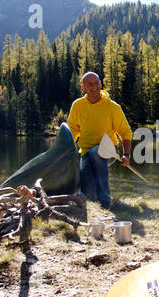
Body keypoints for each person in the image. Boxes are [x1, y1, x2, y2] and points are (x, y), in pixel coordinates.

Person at [67, 72, 132, 209]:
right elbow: (72, 131)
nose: (94, 86)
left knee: (96, 153)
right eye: (90, 84)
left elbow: (125, 132)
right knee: (87, 194)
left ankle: (105, 201)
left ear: (101, 84)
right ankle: (94, 203)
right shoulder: (78, 105)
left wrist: (126, 155)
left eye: (96, 83)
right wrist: (67, 153)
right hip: (85, 153)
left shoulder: (113, 107)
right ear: (83, 87)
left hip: (109, 150)